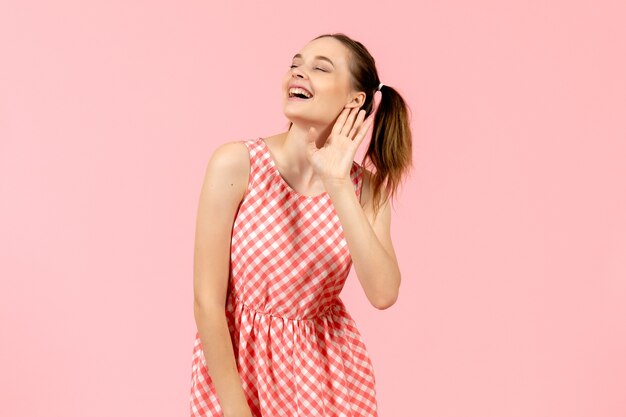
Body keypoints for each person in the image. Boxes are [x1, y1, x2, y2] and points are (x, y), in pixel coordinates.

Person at [189, 33, 413, 417]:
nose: (299, 72)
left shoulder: (367, 191)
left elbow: (383, 292)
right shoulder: (237, 164)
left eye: (319, 68)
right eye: (296, 64)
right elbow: (207, 302)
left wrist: (337, 182)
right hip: (240, 370)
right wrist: (235, 410)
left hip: (329, 378)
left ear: (355, 100)